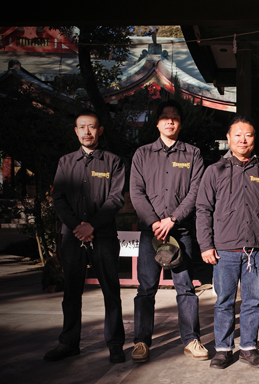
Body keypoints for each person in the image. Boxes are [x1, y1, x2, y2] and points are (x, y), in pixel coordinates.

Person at [196, 115, 259, 369]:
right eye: (238, 135)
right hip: (224, 250)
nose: (243, 139)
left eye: (248, 135)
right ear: (228, 138)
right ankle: (223, 349)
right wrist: (206, 245)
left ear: (254, 139)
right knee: (224, 301)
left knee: (253, 300)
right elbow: (203, 209)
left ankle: (248, 348)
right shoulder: (215, 171)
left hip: (255, 249)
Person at [130, 100, 207, 363]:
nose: (170, 121)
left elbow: (195, 192)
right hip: (150, 234)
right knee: (145, 289)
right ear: (157, 123)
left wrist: (172, 219)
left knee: (185, 287)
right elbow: (136, 192)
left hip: (180, 232)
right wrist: (154, 222)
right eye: (165, 117)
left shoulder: (193, 154)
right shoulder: (142, 154)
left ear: (180, 124)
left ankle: (191, 340)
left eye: (175, 117)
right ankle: (141, 341)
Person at [46, 109, 126, 363]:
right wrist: (77, 227)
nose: (87, 132)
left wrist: (91, 226)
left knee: (110, 291)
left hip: (103, 236)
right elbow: (58, 198)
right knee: (71, 292)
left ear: (100, 130)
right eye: (82, 127)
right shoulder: (66, 162)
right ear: (76, 131)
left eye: (92, 127)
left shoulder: (113, 162)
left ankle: (115, 344)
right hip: (73, 237)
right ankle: (68, 343)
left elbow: (115, 199)